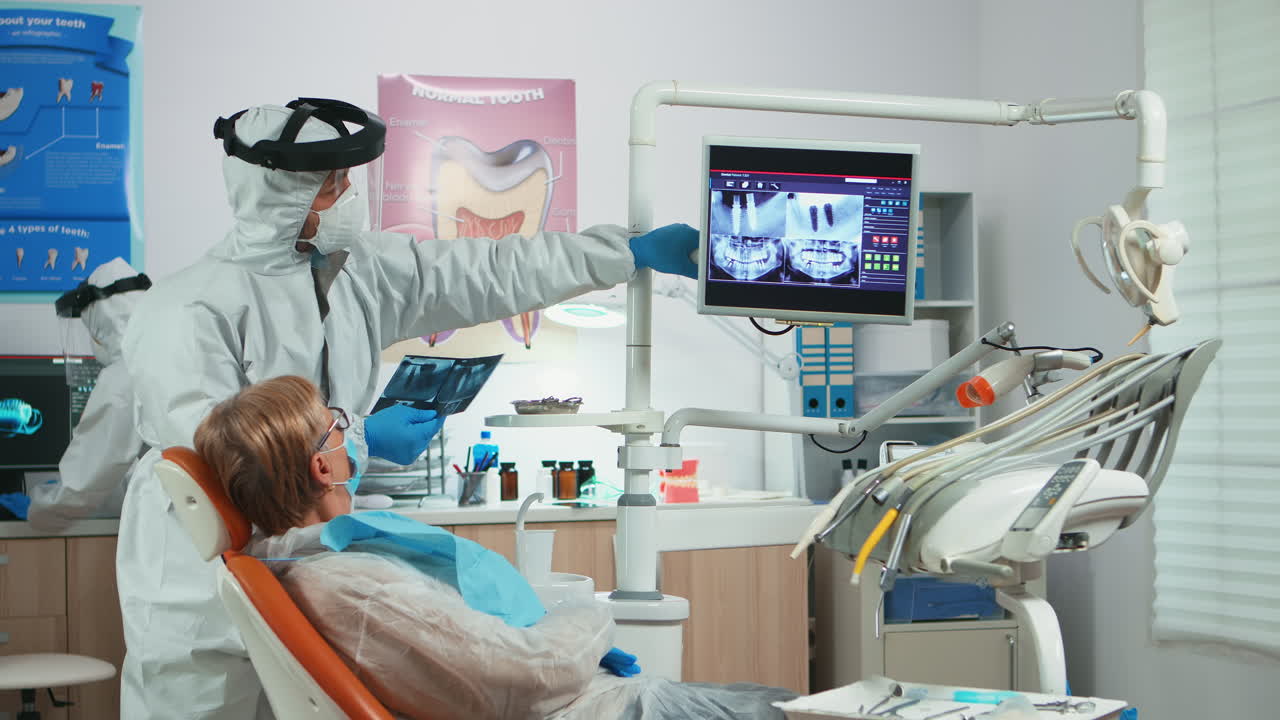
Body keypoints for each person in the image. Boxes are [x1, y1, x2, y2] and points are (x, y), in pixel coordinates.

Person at [117, 97, 703, 719]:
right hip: (197, 572)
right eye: (330, 185)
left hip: (307, 554)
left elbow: (492, 270)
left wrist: (626, 253)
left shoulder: (355, 271)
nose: (347, 196)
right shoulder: (185, 312)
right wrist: (362, 441)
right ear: (278, 192)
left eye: (348, 179)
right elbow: (230, 457)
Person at [194, 375, 796, 720]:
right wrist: (594, 616)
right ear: (324, 466)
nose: (354, 434)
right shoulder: (348, 586)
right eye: (341, 425)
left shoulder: (317, 562)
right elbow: (534, 671)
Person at [26, 258, 150, 531]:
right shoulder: (172, 350)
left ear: (101, 322)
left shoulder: (126, 374)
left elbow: (85, 481)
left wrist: (37, 509)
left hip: (186, 525)